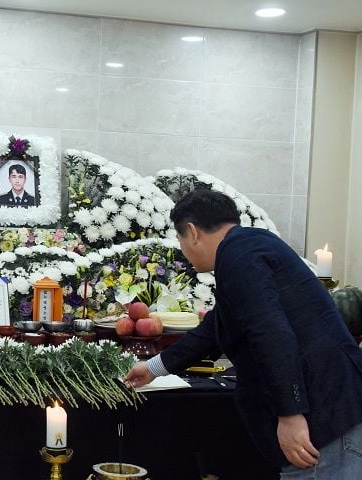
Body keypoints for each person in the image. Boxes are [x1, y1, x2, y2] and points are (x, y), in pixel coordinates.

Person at [124, 189, 362, 478]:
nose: (182, 249)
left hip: (324, 418)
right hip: (330, 410)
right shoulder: (248, 247)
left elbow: (271, 333)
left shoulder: (238, 255)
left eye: (180, 239)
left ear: (193, 232)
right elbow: (214, 328)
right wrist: (153, 368)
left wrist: (290, 414)